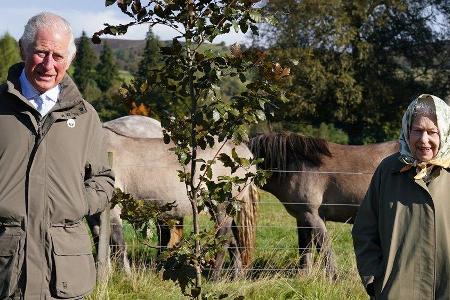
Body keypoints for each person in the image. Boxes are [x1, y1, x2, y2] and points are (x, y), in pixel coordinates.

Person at [0, 12, 114, 299]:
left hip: (64, 273)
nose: (48, 65)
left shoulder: (86, 116)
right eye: (40, 52)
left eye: (58, 56)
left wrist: (77, 202)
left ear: (70, 60)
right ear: (23, 49)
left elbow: (103, 179)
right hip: (6, 269)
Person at [352, 94, 450, 299]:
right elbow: (364, 231)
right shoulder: (388, 171)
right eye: (418, 131)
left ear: (445, 132)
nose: (424, 140)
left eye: (432, 132)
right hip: (396, 292)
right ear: (407, 131)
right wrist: (374, 281)